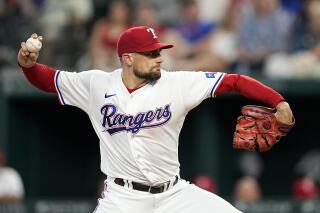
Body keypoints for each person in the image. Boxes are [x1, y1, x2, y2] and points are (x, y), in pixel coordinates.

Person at [17, 26, 294, 213]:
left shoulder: (177, 84)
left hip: (174, 195)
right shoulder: (96, 84)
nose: (159, 58)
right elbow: (49, 79)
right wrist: (27, 65)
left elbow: (233, 81)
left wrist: (277, 101)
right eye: (150, 53)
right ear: (127, 58)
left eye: (159, 51)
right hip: (122, 199)